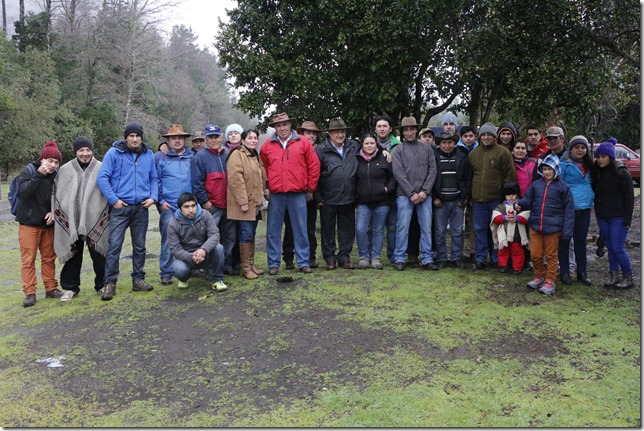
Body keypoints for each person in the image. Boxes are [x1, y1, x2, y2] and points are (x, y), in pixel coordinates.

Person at [96, 122, 158, 300]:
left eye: (138, 136)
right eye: (131, 135)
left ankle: (138, 279)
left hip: (141, 208)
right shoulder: (114, 153)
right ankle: (110, 283)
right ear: (125, 137)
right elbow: (102, 178)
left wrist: (153, 197)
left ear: (141, 138)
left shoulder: (148, 155)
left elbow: (154, 178)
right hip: (120, 208)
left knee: (140, 246)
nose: (135, 139)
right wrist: (114, 200)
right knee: (114, 246)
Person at [259, 112, 320, 275]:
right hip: (276, 194)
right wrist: (266, 186)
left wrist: (310, 188)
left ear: (290, 125)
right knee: (273, 230)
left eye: (285, 124)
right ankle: (273, 263)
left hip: (297, 194)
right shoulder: (267, 146)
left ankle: (303, 262)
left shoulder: (303, 143)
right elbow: (263, 167)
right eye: (278, 125)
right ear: (275, 128)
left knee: (300, 229)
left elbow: (313, 166)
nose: (282, 128)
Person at [52, 136, 109, 300]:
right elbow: (57, 193)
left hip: (95, 217)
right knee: (73, 253)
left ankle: (102, 284)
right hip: (72, 219)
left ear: (92, 151)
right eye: (81, 150)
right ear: (75, 151)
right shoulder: (65, 170)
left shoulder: (101, 167)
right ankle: (70, 287)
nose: (85, 153)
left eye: (88, 150)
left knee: (99, 254)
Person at [516, 154, 574, 295]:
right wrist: (520, 204)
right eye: (544, 169)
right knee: (535, 254)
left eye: (549, 169)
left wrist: (566, 231)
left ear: (556, 169)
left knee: (551, 256)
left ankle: (550, 281)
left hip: (553, 228)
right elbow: (528, 199)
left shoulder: (563, 187)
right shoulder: (536, 185)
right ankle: (539, 276)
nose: (547, 172)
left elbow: (569, 211)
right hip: (536, 226)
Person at [17, 141, 64, 307]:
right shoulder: (29, 171)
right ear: (42, 159)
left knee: (49, 258)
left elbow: (58, 198)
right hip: (28, 223)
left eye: (56, 162)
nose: (53, 165)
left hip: (48, 224)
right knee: (28, 260)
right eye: (50, 161)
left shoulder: (56, 176)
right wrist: (38, 175)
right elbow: (23, 193)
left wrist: (53, 210)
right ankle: (30, 292)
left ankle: (51, 288)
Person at [191, 124, 238, 276]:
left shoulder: (228, 154)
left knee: (229, 236)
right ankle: (210, 267)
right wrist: (205, 201)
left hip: (229, 204)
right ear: (205, 139)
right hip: (212, 206)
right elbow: (196, 183)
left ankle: (226, 265)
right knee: (211, 238)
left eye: (216, 136)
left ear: (221, 137)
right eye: (210, 137)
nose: (214, 140)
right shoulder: (200, 157)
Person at [468, 122, 516, 270]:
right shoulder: (473, 154)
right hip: (478, 199)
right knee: (479, 229)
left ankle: (496, 258)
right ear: (480, 136)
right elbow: (469, 176)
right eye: (484, 135)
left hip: (496, 199)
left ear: (494, 137)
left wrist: (506, 197)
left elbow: (510, 175)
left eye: (489, 134)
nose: (486, 137)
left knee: (496, 229)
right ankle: (481, 258)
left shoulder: (503, 153)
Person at [392, 116, 437, 270]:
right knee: (402, 226)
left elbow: (433, 170)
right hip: (405, 195)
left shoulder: (427, 148)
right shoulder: (398, 150)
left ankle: (427, 258)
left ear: (416, 130)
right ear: (402, 132)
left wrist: (424, 191)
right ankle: (399, 258)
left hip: (425, 195)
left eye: (412, 129)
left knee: (426, 227)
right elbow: (398, 173)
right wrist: (411, 193)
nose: (409, 132)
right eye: (406, 130)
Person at [316, 118, 359, 269]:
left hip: (349, 196)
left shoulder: (353, 146)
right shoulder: (321, 149)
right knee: (328, 229)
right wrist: (318, 196)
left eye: (343, 132)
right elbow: (315, 174)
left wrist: (384, 150)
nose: (340, 135)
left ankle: (344, 257)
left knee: (347, 229)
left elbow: (371, 148)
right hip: (328, 197)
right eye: (337, 132)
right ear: (330, 133)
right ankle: (330, 258)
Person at [592, 139, 635, 289]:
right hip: (603, 216)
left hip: (619, 217)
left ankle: (628, 275)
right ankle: (614, 274)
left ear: (610, 157)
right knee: (610, 246)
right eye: (598, 156)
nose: (600, 159)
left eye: (603, 156)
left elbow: (629, 198)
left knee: (617, 247)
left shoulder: (622, 173)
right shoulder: (597, 173)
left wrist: (627, 218)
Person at [226, 128, 268, 279]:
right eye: (249, 137)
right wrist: (243, 201)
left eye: (255, 138)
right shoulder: (237, 154)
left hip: (255, 203)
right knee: (245, 234)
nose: (253, 140)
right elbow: (235, 179)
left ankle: (251, 264)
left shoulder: (254, 156)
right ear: (243, 140)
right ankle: (245, 267)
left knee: (252, 234)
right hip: (244, 204)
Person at [156, 124, 194, 285]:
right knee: (168, 240)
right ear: (167, 140)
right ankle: (166, 272)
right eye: (173, 138)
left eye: (180, 138)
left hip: (190, 206)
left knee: (192, 238)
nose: (177, 141)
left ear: (185, 139)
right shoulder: (159, 157)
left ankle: (192, 268)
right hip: (169, 206)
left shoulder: (193, 157)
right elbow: (154, 180)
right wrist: (160, 201)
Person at [167, 192, 227, 292]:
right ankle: (183, 279)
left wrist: (203, 250)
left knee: (219, 248)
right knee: (178, 269)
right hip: (186, 257)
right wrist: (191, 257)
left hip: (205, 254)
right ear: (180, 209)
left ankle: (217, 280)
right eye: (186, 207)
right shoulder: (173, 223)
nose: (191, 210)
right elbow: (175, 249)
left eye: (193, 206)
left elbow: (214, 235)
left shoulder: (206, 215)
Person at [282, 121, 321, 269]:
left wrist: (314, 194)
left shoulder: (319, 150)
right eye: (308, 133)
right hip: (293, 193)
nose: (311, 136)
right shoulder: (293, 147)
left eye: (313, 133)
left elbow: (318, 174)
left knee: (309, 227)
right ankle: (289, 257)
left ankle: (310, 257)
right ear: (301, 134)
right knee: (291, 227)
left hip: (310, 195)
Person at [354, 133, 396, 269]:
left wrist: (387, 189)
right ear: (362, 144)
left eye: (372, 143)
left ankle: (375, 258)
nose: (369, 146)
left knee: (377, 230)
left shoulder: (384, 157)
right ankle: (363, 257)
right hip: (363, 202)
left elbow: (393, 177)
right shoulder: (356, 158)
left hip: (382, 201)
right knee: (361, 229)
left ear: (376, 144)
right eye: (366, 143)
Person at [432, 131, 471, 269]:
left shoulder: (462, 157)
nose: (447, 145)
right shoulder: (434, 157)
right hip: (440, 201)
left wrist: (464, 197)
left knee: (457, 231)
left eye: (450, 142)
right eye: (444, 142)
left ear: (454, 143)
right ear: (439, 144)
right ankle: (441, 257)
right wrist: (435, 197)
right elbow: (430, 178)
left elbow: (467, 179)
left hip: (457, 201)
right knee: (440, 231)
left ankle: (456, 257)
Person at [559, 135, 594, 286]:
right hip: (569, 208)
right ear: (571, 149)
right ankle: (565, 272)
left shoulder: (590, 165)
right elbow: (559, 186)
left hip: (585, 208)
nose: (580, 150)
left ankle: (582, 272)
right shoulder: (564, 165)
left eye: (583, 147)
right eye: (577, 147)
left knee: (580, 241)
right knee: (565, 239)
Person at [373, 114, 401, 264]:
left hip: (395, 192)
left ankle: (393, 256)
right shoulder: (369, 145)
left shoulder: (398, 145)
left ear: (390, 129)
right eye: (379, 126)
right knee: (374, 227)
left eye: (385, 126)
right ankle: (373, 255)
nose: (382, 129)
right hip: (375, 193)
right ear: (375, 129)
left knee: (393, 226)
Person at [490, 182, 529, 275]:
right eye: (508, 194)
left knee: (517, 251)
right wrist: (504, 218)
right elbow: (495, 217)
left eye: (513, 194)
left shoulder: (521, 205)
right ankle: (503, 266)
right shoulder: (501, 206)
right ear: (505, 195)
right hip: (504, 234)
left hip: (517, 234)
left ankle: (518, 268)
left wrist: (517, 218)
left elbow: (527, 216)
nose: (511, 197)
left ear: (517, 194)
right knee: (502, 250)